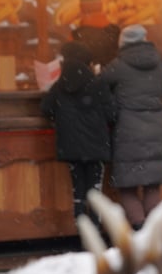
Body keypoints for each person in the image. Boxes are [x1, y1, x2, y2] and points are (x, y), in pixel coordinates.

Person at [100, 24, 162, 231]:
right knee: (152, 186)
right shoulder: (159, 61)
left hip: (128, 128)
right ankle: (154, 231)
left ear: (123, 43)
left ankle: (140, 228)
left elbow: (99, 83)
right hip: (156, 127)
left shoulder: (118, 65)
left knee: (128, 187)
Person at [41, 41, 115, 228]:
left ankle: (83, 235)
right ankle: (95, 235)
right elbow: (112, 114)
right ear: (87, 62)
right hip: (96, 145)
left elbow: (45, 108)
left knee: (78, 192)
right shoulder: (98, 83)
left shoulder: (59, 85)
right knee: (95, 191)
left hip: (71, 146)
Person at [71, 0, 120, 69]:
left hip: (88, 80)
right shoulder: (116, 32)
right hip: (110, 80)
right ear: (101, 5)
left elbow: (73, 66)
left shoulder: (75, 36)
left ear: (81, 8)